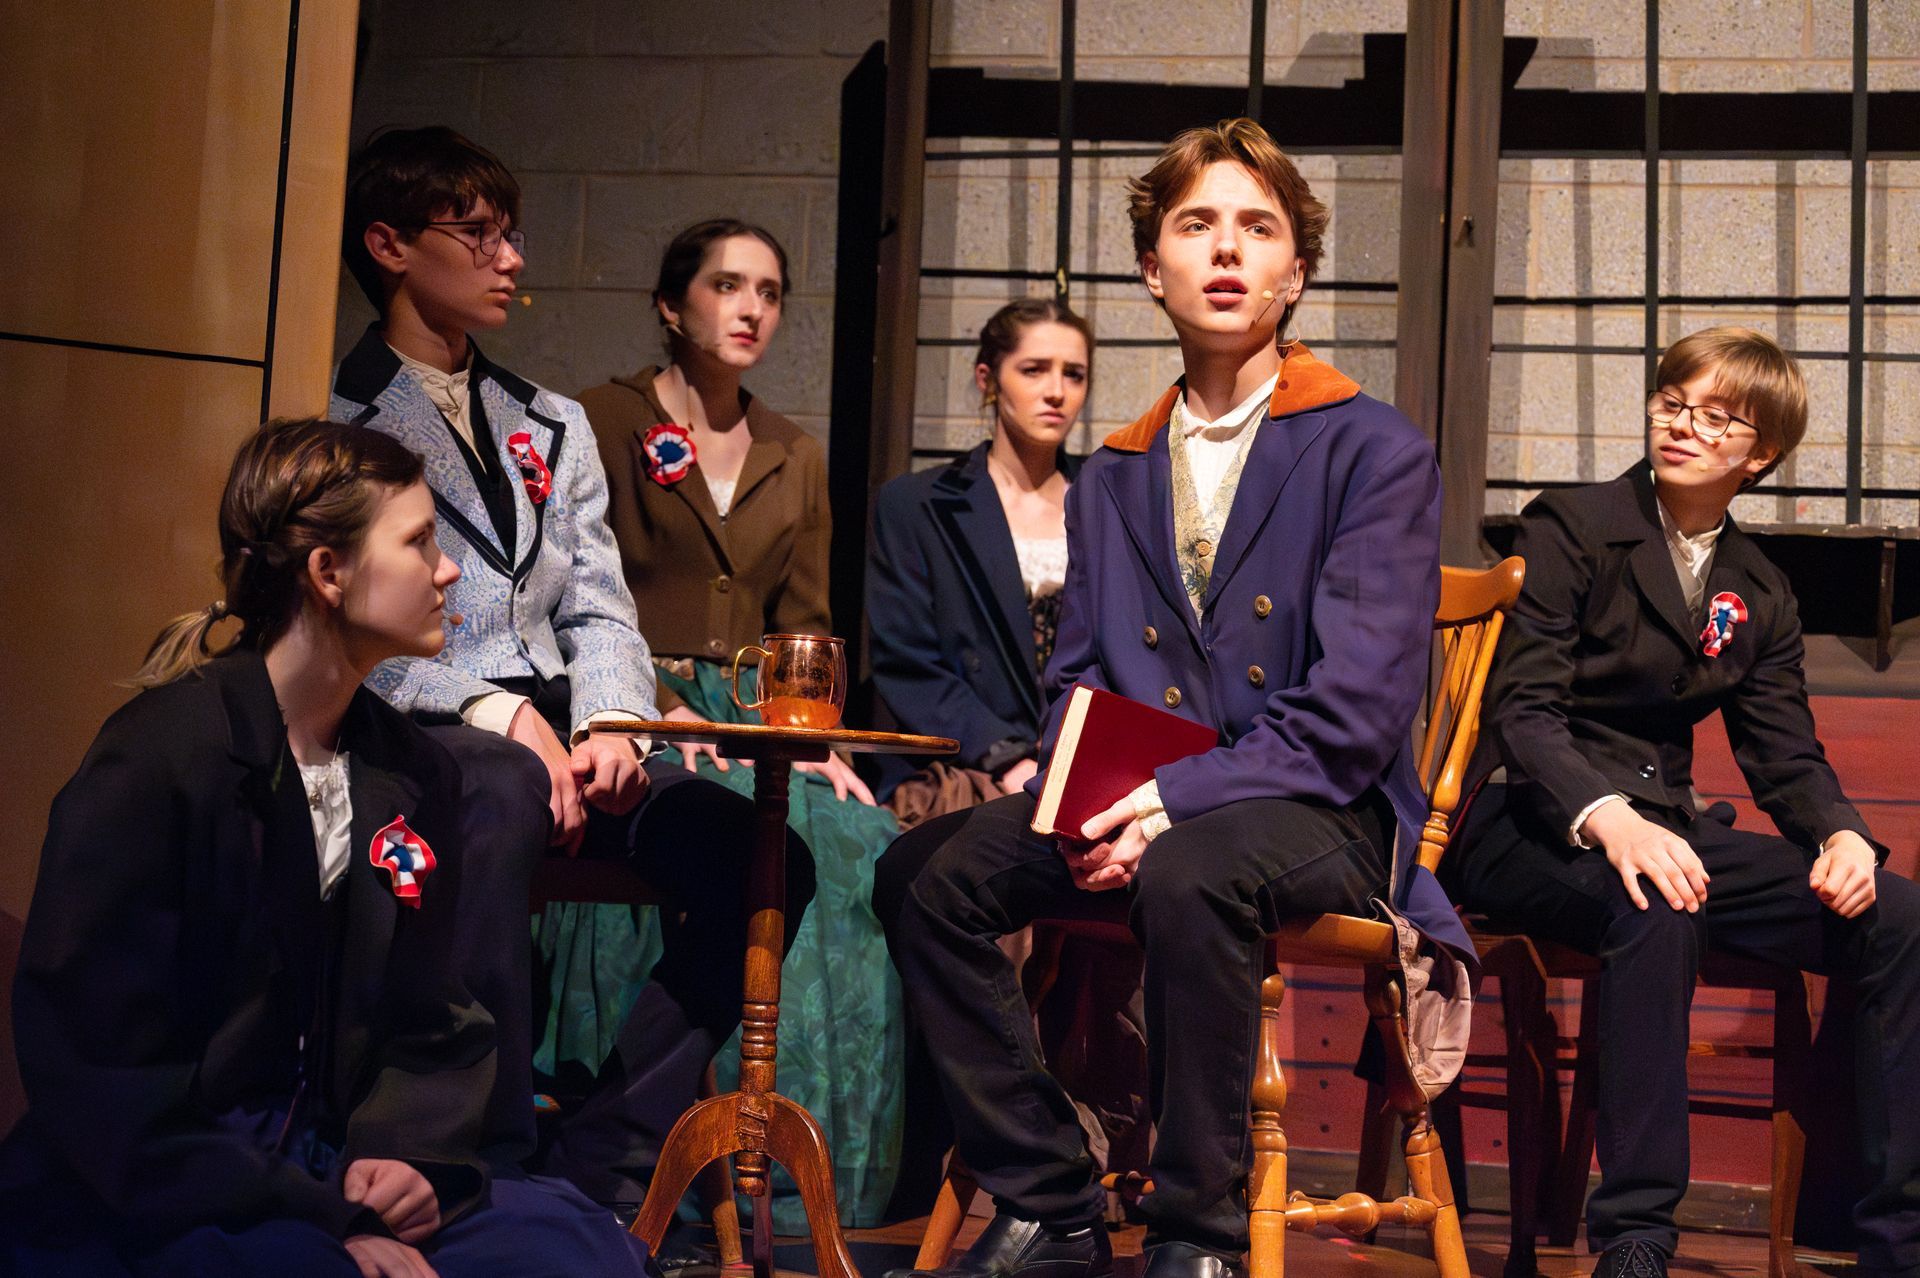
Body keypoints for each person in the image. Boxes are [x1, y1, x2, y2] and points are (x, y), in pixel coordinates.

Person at [873, 118, 1461, 1278]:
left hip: (1317, 810)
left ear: (1295, 271)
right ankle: (1051, 1191)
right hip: (1147, 794)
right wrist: (1084, 791)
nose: (1228, 251)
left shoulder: (1369, 448)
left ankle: (1197, 1233)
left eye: (1259, 229)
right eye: (1197, 227)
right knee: (923, 873)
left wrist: (1162, 807)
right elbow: (1083, 674)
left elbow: (1351, 714)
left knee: (1196, 870)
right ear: (1155, 271)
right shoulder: (1121, 468)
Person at [0, 419, 649, 1278]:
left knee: (576, 1250)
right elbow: (99, 1067)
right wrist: (328, 1216)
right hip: (174, 1175)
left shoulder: (409, 769)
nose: (448, 570)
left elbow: (434, 1021)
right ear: (328, 573)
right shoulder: (161, 759)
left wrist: (405, 1158)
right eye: (419, 543)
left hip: (334, 1154)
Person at [328, 128, 814, 1215]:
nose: (511, 259)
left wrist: (609, 721)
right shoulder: (337, 417)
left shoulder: (547, 420)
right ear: (390, 245)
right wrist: (498, 712)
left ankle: (612, 1144)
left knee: (764, 855)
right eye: (479, 234)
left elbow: (600, 601)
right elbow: (348, 632)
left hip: (569, 716)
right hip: (427, 719)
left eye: (512, 234)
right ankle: (480, 1148)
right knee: (494, 796)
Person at [1444, 326, 1920, 1278]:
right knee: (1656, 904)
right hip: (1531, 814)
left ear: (1761, 452)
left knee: (1898, 916)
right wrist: (1609, 817)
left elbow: (1783, 753)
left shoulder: (1758, 586)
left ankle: (1893, 1244)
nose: (1683, 427)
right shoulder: (1573, 526)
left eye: (1716, 417)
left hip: (1667, 827)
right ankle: (1637, 1237)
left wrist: (1842, 835)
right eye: (1672, 403)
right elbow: (1526, 715)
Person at [569, 218, 904, 1228]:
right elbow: (579, 587)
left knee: (851, 839)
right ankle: (630, 1133)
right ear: (673, 306)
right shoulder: (596, 420)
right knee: (720, 842)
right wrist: (650, 705)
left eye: (768, 290)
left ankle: (809, 1174)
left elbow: (804, 622)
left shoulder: (793, 453)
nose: (751, 307)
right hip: (636, 698)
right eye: (726, 285)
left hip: (756, 712)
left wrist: (819, 741)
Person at [867, 296, 1090, 819]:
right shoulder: (919, 504)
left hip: (1083, 768)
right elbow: (908, 663)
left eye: (1074, 374)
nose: (1056, 391)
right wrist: (1008, 757)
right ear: (988, 379)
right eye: (1033, 370)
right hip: (964, 764)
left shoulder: (1107, 499)